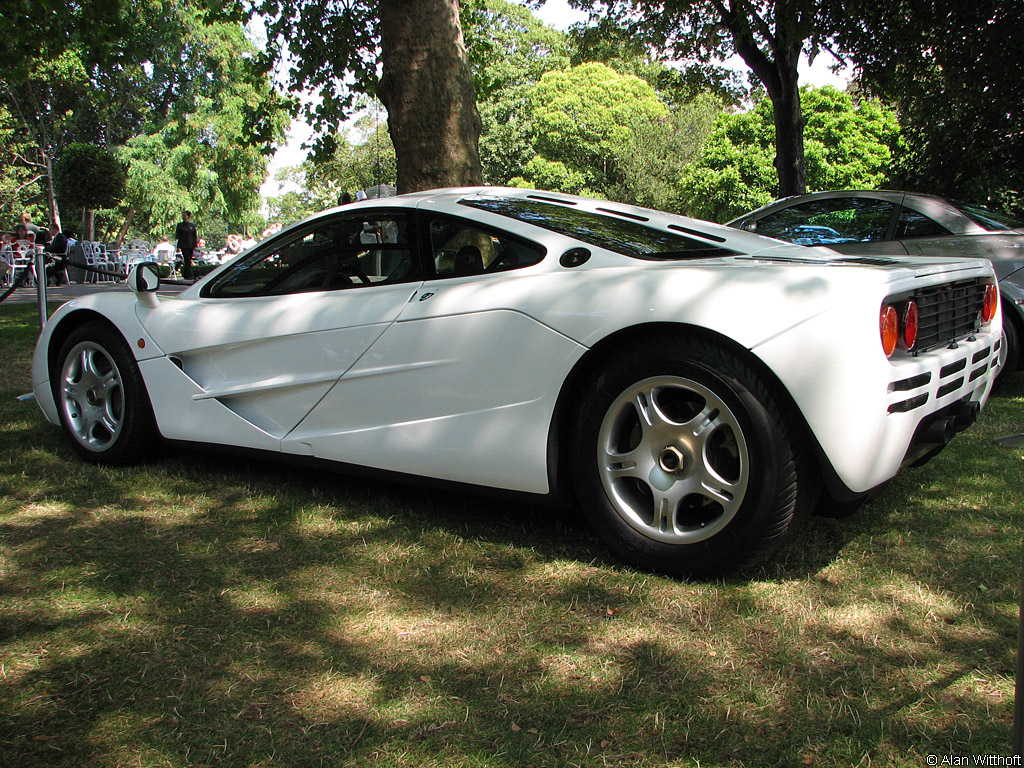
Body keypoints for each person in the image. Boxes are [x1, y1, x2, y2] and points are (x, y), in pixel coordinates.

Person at [174, 210, 198, 280]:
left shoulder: (192, 226)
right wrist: (178, 246)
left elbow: (194, 236)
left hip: (190, 244)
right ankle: (190, 275)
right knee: (187, 259)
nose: (183, 217)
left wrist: (195, 246)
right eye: (183, 215)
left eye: (185, 215)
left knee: (189, 259)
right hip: (183, 245)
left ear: (188, 216)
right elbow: (178, 236)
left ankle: (185, 273)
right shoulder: (180, 225)